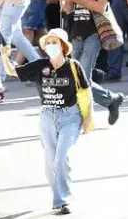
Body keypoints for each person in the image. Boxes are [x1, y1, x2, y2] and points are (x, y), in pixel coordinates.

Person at [15, 29, 93, 216]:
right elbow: (14, 72)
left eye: (54, 42)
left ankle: (62, 199)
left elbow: (86, 90)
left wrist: (88, 116)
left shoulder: (73, 66)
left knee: (61, 156)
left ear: (63, 46)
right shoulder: (40, 65)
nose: (50, 46)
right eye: (48, 43)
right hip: (47, 117)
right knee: (50, 160)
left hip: (71, 116)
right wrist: (2, 57)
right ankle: (58, 191)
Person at [58, 0, 125, 125]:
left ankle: (84, 118)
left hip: (93, 32)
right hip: (75, 31)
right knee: (74, 77)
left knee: (82, 77)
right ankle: (110, 99)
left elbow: (99, 7)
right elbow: (68, 9)